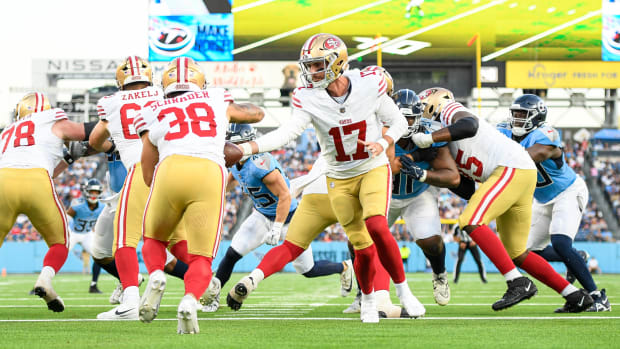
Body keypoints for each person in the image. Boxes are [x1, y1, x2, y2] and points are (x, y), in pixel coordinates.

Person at [232, 33, 423, 323]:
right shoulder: (308, 96)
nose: (311, 71)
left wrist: (382, 143)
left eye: (318, 65)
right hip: (337, 178)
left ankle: (403, 291)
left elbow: (397, 122)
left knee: (376, 225)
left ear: (337, 62)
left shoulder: (368, 83)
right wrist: (247, 147)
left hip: (370, 168)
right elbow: (288, 133)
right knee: (361, 244)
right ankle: (369, 300)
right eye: (309, 65)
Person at [410, 87, 593, 312]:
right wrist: (428, 171)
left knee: (470, 220)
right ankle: (575, 296)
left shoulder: (449, 111)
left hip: (511, 167)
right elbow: (464, 187)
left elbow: (470, 125)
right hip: (517, 174)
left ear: (432, 104)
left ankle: (517, 282)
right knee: (516, 253)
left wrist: (428, 138)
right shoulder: (442, 142)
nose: (417, 119)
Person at [135, 56, 264, 334]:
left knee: (154, 239)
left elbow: (147, 172)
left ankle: (157, 275)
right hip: (209, 170)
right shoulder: (216, 97)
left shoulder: (153, 108)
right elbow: (256, 113)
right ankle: (191, 301)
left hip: (171, 167)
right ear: (201, 83)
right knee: (201, 259)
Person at [201, 124, 352, 313]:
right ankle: (214, 296)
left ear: (247, 143)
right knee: (232, 254)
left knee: (308, 270)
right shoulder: (236, 161)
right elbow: (232, 180)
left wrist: (277, 227)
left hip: (289, 217)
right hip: (262, 214)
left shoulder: (260, 164)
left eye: (234, 144)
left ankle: (344, 267)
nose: (229, 149)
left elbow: (285, 196)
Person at [89, 56, 190, 320]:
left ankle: (131, 302)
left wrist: (111, 147)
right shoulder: (164, 93)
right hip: (174, 169)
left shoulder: (111, 103)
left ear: (121, 81)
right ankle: (200, 287)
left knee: (124, 240)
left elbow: (94, 139)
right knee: (179, 240)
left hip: (140, 169)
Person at [498, 94, 610, 312]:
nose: (518, 119)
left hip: (568, 192)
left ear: (537, 116)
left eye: (524, 115)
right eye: (516, 114)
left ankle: (598, 297)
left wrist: (497, 153)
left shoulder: (545, 134)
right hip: (542, 199)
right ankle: (575, 265)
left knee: (560, 242)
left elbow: (531, 155)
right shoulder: (504, 131)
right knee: (522, 252)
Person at [0, 92, 89, 312]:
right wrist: (109, 124)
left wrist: (68, 159)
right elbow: (83, 132)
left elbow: (50, 168)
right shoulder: (52, 120)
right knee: (60, 242)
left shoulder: (7, 132)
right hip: (36, 181)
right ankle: (45, 279)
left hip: (3, 181)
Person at [387, 88, 461, 306]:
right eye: (401, 118)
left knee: (430, 240)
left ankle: (439, 274)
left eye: (410, 118)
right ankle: (363, 292)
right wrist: (416, 156)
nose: (406, 123)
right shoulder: (379, 132)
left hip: (418, 193)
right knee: (359, 241)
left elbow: (453, 177)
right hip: (384, 195)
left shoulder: (430, 134)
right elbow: (388, 166)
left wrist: (423, 173)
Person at [66, 178, 105, 293]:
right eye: (92, 191)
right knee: (59, 253)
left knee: (99, 256)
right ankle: (40, 284)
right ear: (87, 191)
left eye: (97, 192)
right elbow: (66, 219)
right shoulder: (78, 204)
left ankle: (93, 285)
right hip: (73, 232)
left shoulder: (102, 207)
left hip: (87, 233)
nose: (94, 194)